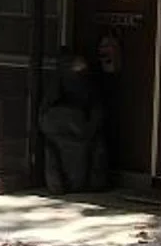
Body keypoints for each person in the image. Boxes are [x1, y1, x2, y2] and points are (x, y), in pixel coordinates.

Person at [37, 49, 109, 192]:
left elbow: (97, 108)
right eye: (76, 67)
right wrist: (73, 121)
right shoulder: (57, 85)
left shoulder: (89, 85)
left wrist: (88, 127)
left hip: (83, 131)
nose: (80, 72)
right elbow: (46, 116)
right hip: (62, 132)